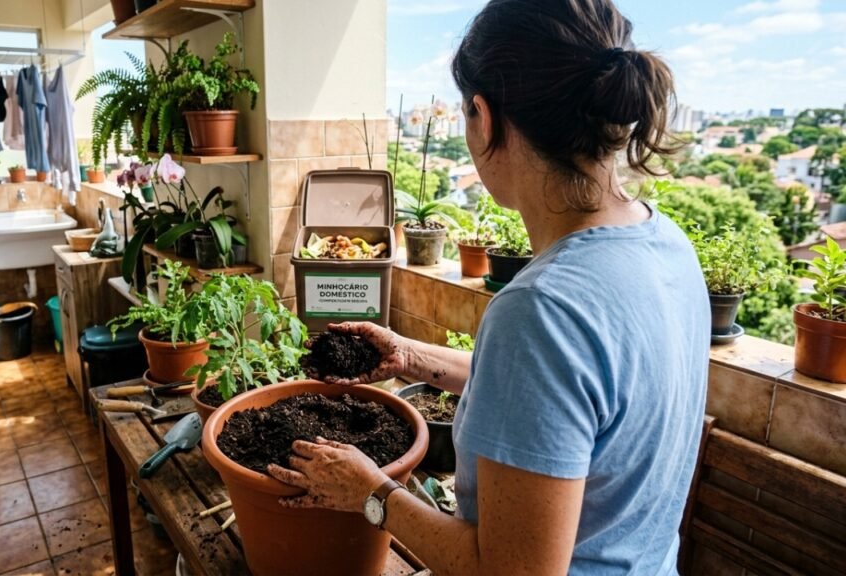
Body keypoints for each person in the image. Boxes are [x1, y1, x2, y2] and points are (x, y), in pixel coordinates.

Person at [266, 0, 710, 574]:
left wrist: (371, 493)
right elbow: (566, 404)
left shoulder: (542, 310)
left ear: (484, 115)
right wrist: (410, 355)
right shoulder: (667, 244)